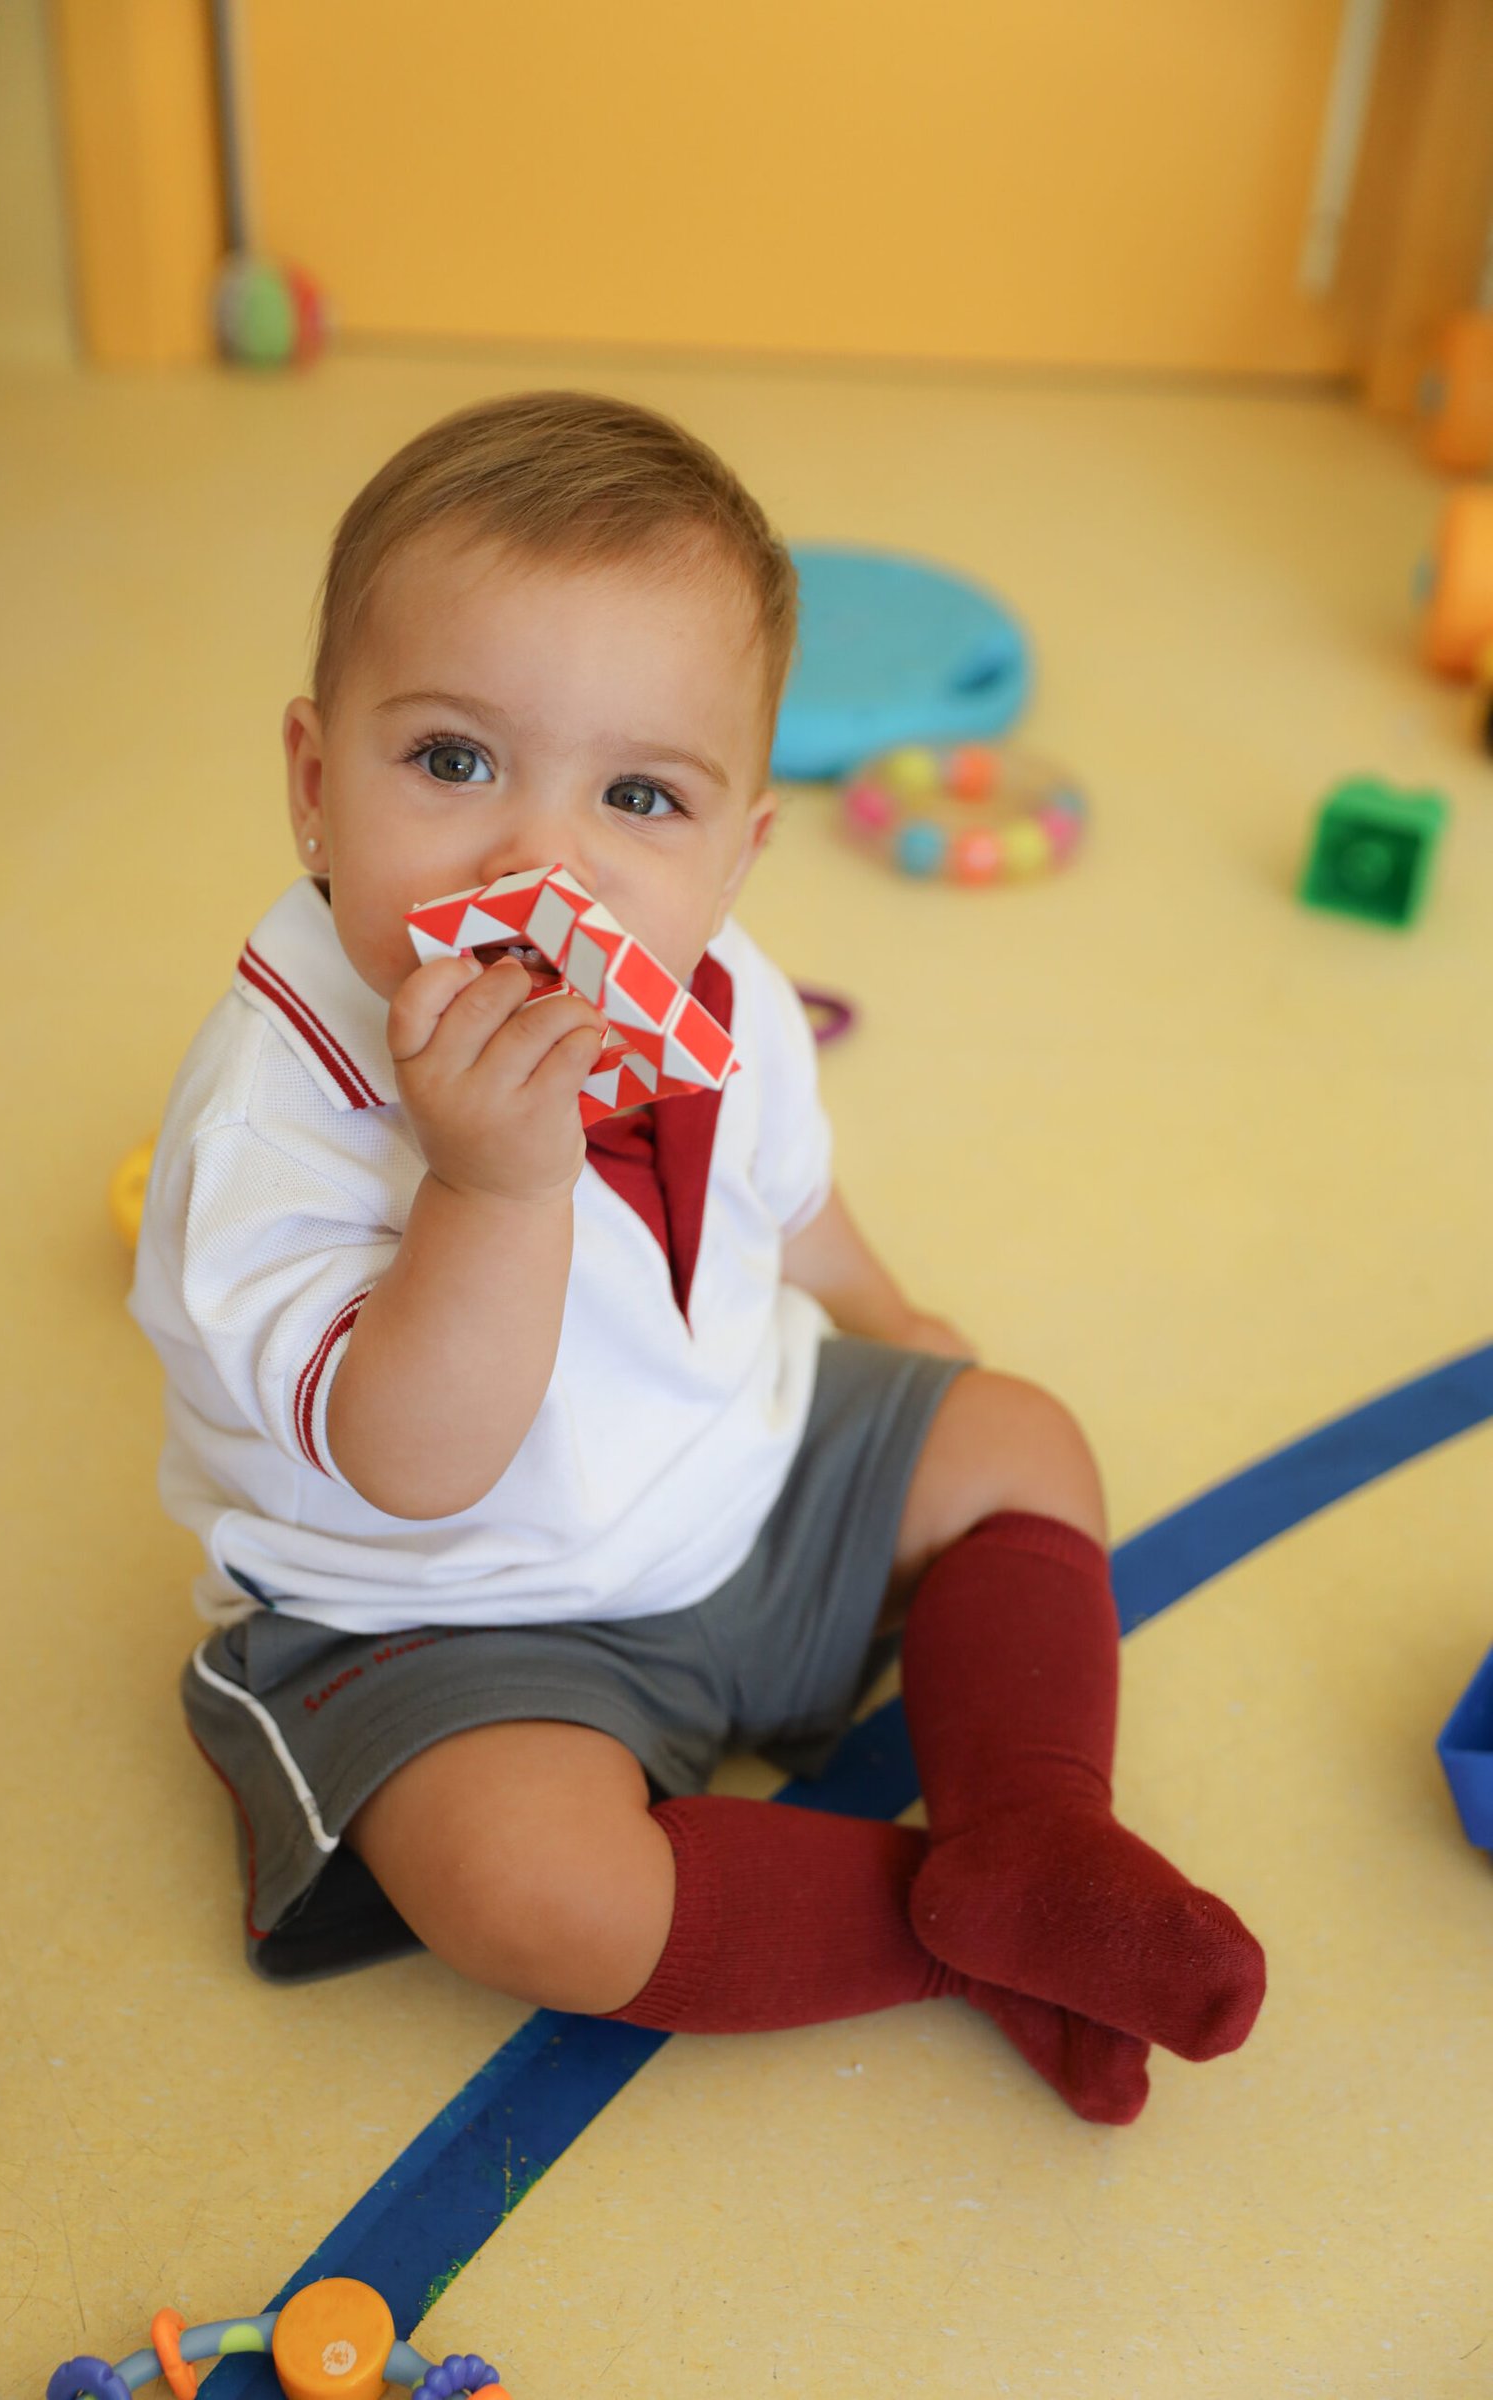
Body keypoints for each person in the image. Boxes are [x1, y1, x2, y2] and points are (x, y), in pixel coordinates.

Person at [131, 389, 1264, 2126]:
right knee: (533, 1894)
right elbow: (412, 1465)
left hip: (732, 1456)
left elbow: (786, 1197)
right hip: (447, 1619)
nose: (539, 860)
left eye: (639, 795)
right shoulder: (268, 1119)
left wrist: (888, 1318)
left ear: (737, 853)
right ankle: (956, 1935)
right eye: (450, 761)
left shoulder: (720, 987)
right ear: (310, 784)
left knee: (1021, 1439)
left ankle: (1036, 1830)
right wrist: (491, 1188)